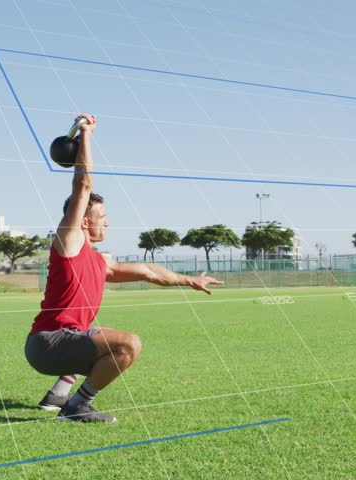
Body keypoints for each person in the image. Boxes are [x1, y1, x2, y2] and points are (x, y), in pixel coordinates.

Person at [24, 113, 223, 423]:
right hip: (48, 343)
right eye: (103, 218)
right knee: (128, 343)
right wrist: (86, 136)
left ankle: (58, 395)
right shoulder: (70, 241)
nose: (108, 222)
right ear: (86, 222)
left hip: (63, 341)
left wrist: (189, 280)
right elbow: (83, 185)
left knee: (101, 334)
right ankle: (77, 407)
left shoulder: (101, 262)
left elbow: (148, 272)